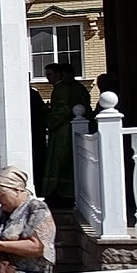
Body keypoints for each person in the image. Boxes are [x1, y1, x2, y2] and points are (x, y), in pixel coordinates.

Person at [43, 63, 91, 204]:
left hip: (64, 130)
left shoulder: (63, 89)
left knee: (62, 159)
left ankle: (61, 193)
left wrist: (49, 119)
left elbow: (64, 109)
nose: (47, 79)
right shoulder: (73, 88)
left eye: (50, 75)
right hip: (63, 129)